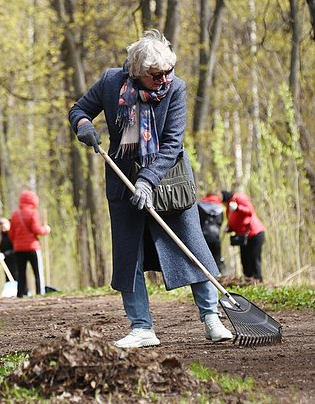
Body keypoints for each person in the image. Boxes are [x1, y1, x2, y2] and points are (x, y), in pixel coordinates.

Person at [68, 29, 232, 348]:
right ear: (138, 72)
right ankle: (142, 328)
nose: (164, 79)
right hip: (123, 182)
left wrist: (148, 180)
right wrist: (83, 126)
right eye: (156, 75)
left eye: (168, 72)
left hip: (170, 183)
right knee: (130, 258)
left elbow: (172, 144)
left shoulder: (176, 89)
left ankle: (211, 317)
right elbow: (78, 110)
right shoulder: (111, 82)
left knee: (192, 249)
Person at [8, 190, 51, 298]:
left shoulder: (15, 214)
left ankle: (20, 293)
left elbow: (11, 233)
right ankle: (39, 292)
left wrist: (16, 243)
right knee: (37, 272)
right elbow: (37, 230)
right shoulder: (33, 212)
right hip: (32, 247)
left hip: (18, 249)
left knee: (21, 273)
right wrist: (45, 229)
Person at [218, 190, 266, 281]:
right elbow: (236, 221)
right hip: (243, 236)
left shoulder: (238, 199)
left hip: (255, 234)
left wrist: (238, 208)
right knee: (245, 259)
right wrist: (230, 228)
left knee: (254, 258)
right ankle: (248, 280)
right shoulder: (229, 207)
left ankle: (258, 281)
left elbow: (250, 211)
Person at [197, 193, 226, 273]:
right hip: (215, 236)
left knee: (204, 258)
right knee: (217, 257)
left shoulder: (200, 206)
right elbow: (220, 222)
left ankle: (205, 275)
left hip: (203, 236)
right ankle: (218, 275)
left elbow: (198, 221)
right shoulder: (220, 208)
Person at [0, 217, 17, 281]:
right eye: (1, 227)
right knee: (8, 277)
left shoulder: (12, 234)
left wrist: (4, 254)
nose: (3, 228)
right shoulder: (1, 234)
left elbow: (15, 249)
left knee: (15, 276)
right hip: (5, 260)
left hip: (14, 260)